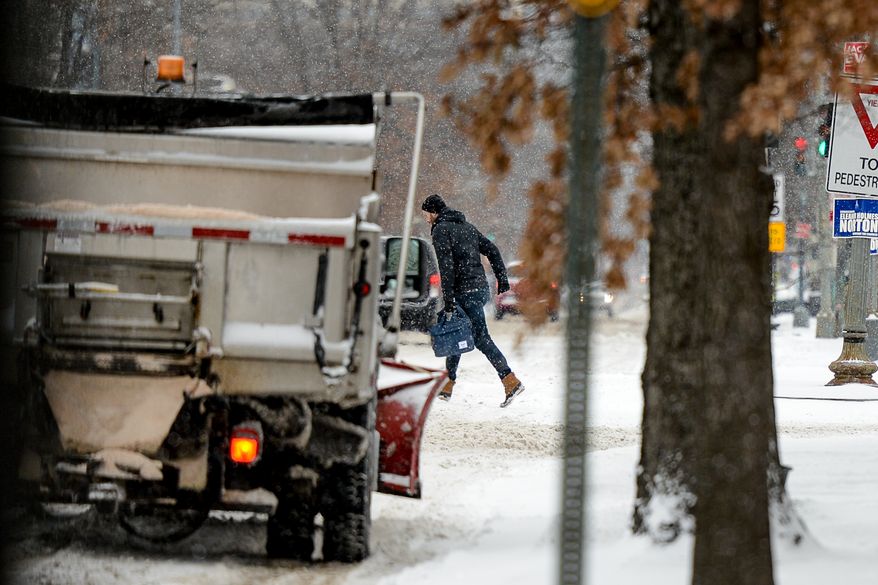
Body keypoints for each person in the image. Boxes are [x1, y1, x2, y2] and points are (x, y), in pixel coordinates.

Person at [421, 193, 525, 408]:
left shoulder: (441, 230)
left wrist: (448, 298)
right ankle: (448, 385)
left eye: (425, 214)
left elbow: (446, 266)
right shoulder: (467, 227)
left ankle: (510, 380)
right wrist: (501, 277)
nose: (425, 219)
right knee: (457, 331)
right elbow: (492, 250)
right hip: (477, 288)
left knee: (479, 337)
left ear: (433, 212)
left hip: (463, 291)